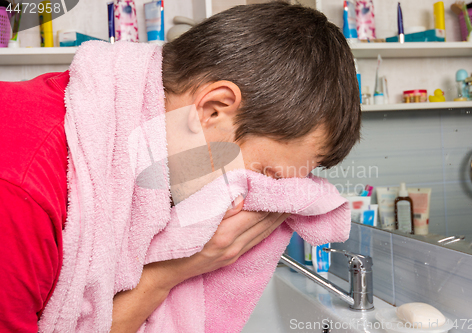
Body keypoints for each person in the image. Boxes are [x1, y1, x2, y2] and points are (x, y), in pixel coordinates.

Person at [0, 2, 361, 332]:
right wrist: (167, 273)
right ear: (213, 110)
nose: (261, 200)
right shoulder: (21, 191)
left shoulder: (114, 145)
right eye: (266, 176)